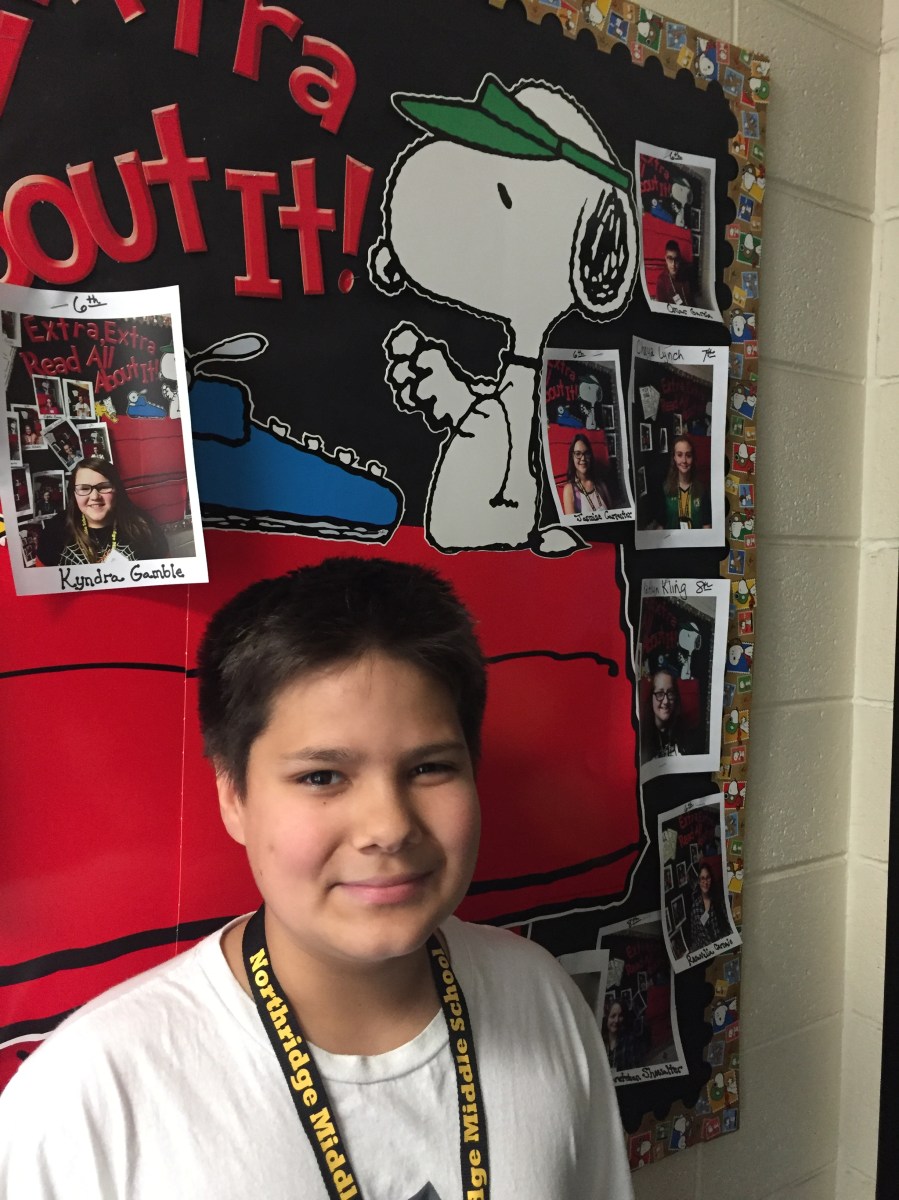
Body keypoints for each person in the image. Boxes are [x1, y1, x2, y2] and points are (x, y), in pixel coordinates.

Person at [0, 557, 634, 1199]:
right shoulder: (87, 1100)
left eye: (430, 768)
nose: (389, 827)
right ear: (234, 796)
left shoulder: (542, 996)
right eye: (322, 777)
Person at [36, 457, 168, 567]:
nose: (95, 496)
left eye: (104, 487)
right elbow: (41, 583)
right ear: (73, 494)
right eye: (84, 488)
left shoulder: (145, 527)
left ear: (117, 490)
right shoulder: (55, 530)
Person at [641, 667, 695, 761]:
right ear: (651, 698)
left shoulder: (686, 734)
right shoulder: (642, 735)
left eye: (670, 693)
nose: (666, 701)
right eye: (660, 694)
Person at [659, 434, 711, 530]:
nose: (684, 460)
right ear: (674, 457)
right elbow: (660, 526)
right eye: (679, 455)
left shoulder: (702, 490)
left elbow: (706, 525)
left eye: (688, 455)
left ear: (693, 458)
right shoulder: (665, 489)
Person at [561, 434, 614, 516]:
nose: (583, 458)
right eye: (578, 454)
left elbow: (613, 514)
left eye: (586, 453)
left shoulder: (601, 484)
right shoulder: (569, 490)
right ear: (572, 457)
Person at [688, 862, 728, 951]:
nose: (705, 882)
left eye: (708, 878)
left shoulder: (718, 899)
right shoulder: (695, 908)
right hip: (706, 952)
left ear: (711, 879)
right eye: (702, 878)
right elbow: (694, 935)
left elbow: (728, 923)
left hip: (722, 946)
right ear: (698, 881)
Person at [601, 998, 644, 1072]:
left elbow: (635, 1071)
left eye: (620, 1016)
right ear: (607, 1018)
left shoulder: (630, 1041)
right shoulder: (600, 1041)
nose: (616, 1020)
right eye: (613, 1016)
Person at [653, 240, 695, 307]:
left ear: (679, 259)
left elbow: (692, 301)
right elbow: (661, 307)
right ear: (666, 259)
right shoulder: (661, 280)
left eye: (676, 259)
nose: (673, 264)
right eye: (670, 259)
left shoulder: (686, 276)